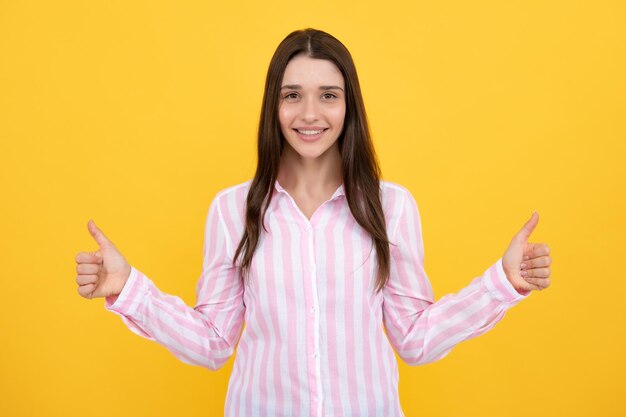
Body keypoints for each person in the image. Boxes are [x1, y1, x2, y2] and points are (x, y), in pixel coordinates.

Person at [74, 28, 552, 417]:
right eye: (292, 95)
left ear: (349, 106)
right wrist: (128, 286)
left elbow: (415, 338)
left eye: (328, 95)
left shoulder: (393, 207)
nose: (309, 114)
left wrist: (501, 283)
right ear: (273, 106)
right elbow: (213, 342)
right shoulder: (232, 210)